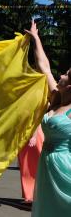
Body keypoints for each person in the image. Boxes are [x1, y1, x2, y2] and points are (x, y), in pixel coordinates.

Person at [26, 20, 71, 217]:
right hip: (47, 165)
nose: (60, 75)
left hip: (65, 166)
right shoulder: (55, 96)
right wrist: (36, 39)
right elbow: (43, 66)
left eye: (66, 74)